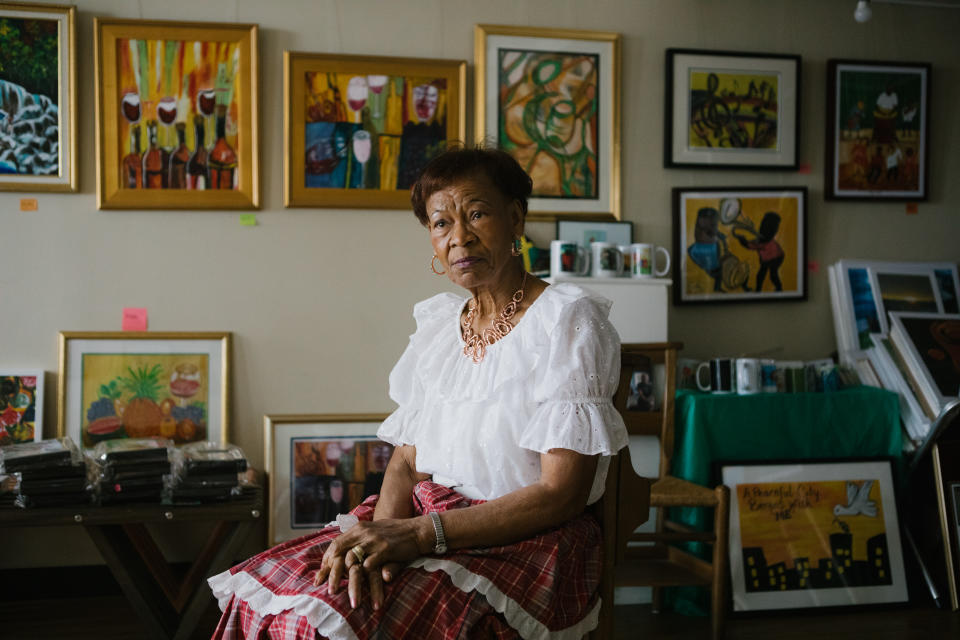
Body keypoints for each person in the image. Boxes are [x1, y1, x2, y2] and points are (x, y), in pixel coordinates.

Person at [208, 147, 628, 639]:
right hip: (426, 519)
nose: (460, 238)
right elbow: (407, 464)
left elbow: (562, 493)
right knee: (281, 601)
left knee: (336, 626)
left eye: (476, 214)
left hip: (525, 543)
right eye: (441, 223)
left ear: (515, 217)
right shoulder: (439, 329)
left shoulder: (566, 320)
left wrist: (415, 535)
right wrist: (376, 547)